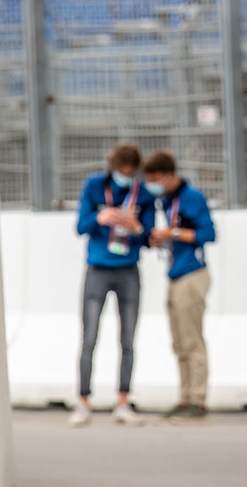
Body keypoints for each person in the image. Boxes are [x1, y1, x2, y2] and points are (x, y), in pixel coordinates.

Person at [71, 143, 157, 427]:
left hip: (128, 270)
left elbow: (149, 238)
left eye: (131, 172)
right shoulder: (94, 185)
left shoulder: (142, 193)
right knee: (90, 337)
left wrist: (137, 229)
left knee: (128, 340)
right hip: (97, 269)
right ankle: (83, 400)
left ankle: (123, 400)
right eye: (122, 171)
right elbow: (81, 226)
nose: (126, 176)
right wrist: (100, 217)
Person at [141, 150, 216, 419]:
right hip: (174, 274)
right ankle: (185, 398)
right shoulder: (166, 200)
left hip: (192, 275)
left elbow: (208, 233)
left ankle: (198, 399)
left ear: (169, 175)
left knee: (192, 340)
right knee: (179, 342)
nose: (153, 185)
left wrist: (172, 233)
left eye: (156, 179)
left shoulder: (191, 197)